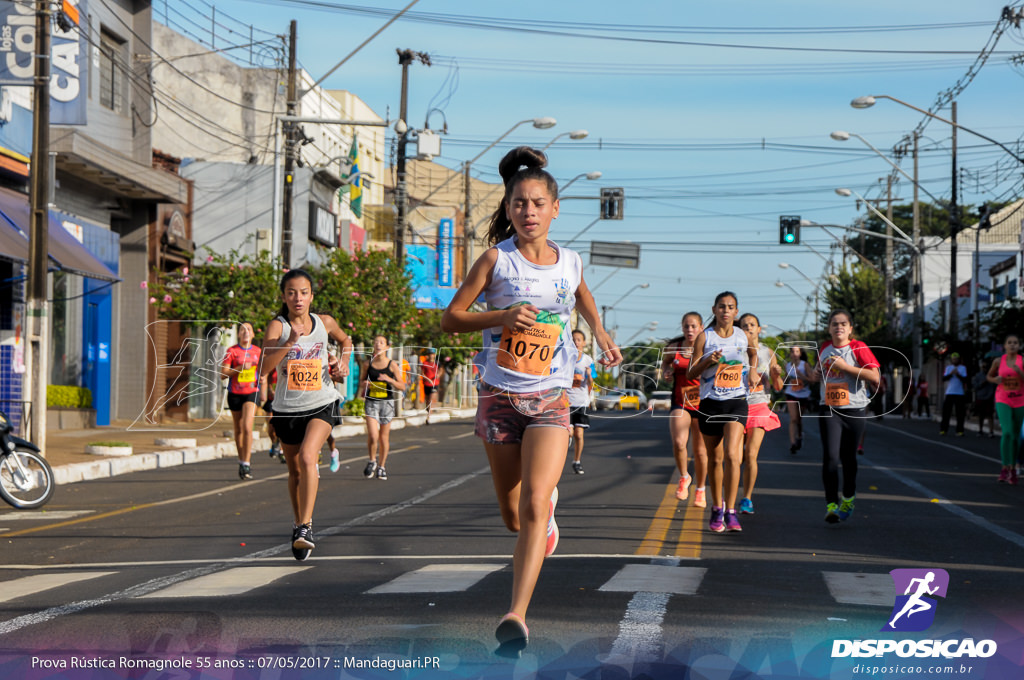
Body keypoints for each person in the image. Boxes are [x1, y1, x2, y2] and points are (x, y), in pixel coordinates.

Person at [440, 146, 621, 653]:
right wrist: (501, 317)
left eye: (538, 203)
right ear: (510, 206)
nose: (529, 212)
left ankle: (516, 613)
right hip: (500, 396)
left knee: (537, 502)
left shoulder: (570, 262)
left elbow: (581, 294)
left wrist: (601, 332)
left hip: (550, 397)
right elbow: (450, 319)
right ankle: (541, 520)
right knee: (513, 515)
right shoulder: (496, 260)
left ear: (555, 208)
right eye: (520, 203)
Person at [260, 269, 352, 560]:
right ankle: (298, 522)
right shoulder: (277, 326)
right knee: (295, 471)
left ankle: (305, 527)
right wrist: (288, 343)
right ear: (284, 296)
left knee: (307, 457)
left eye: (303, 292)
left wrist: (343, 364)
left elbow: (345, 340)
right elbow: (263, 368)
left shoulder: (324, 323)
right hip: (287, 408)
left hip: (322, 401)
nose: (297, 298)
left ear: (312, 295)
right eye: (291, 293)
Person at [686, 291, 759, 533]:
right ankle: (717, 508)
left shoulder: (742, 335)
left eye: (730, 307)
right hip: (710, 402)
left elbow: (753, 353)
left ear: (736, 312)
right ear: (714, 310)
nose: (726, 311)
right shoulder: (704, 337)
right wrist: (708, 361)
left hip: (736, 401)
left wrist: (754, 371)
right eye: (721, 307)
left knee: (732, 455)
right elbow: (690, 374)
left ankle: (731, 511)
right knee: (715, 459)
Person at [806, 310, 880, 524]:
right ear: (829, 328)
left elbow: (874, 376)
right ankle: (831, 504)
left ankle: (848, 498)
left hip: (855, 409)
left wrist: (845, 367)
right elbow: (815, 375)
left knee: (848, 458)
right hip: (829, 408)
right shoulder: (824, 348)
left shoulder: (858, 347)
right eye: (834, 324)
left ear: (850, 329)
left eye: (843, 324)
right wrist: (815, 374)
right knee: (830, 456)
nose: (839, 327)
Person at [659, 312, 709, 506]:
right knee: (679, 442)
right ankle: (684, 476)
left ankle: (701, 489)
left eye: (694, 326)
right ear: (682, 328)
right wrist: (667, 371)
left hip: (703, 403)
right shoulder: (675, 348)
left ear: (701, 328)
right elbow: (665, 363)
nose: (690, 330)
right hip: (680, 401)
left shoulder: (707, 348)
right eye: (686, 326)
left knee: (700, 451)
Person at [738, 313, 783, 515]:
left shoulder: (767, 352)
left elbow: (778, 387)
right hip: (737, 407)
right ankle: (726, 496)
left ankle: (747, 498)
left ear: (759, 329)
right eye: (744, 325)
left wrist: (776, 376)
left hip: (759, 407)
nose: (749, 328)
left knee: (751, 454)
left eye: (752, 325)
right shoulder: (734, 351)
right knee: (735, 457)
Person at [358, 334, 407, 481]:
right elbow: (361, 381)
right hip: (371, 402)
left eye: (381, 342)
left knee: (383, 437)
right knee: (373, 435)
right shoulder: (368, 364)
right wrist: (365, 384)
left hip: (387, 403)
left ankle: (382, 466)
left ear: (387, 347)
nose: (378, 345)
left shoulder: (392, 365)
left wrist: (389, 379)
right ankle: (372, 460)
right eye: (376, 342)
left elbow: (402, 385)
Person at [220, 322, 262, 480]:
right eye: (242, 329)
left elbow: (263, 373)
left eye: (249, 329)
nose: (245, 332)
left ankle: (247, 461)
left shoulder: (258, 351)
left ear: (253, 335)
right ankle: (241, 460)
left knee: (247, 426)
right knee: (238, 429)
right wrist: (239, 368)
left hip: (252, 392)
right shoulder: (231, 351)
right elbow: (222, 374)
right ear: (238, 334)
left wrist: (264, 390)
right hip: (235, 392)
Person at [988, 334, 1024, 484]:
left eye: (1015, 343)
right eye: (1009, 342)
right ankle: (1004, 467)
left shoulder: (1022, 361)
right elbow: (989, 376)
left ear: (1019, 346)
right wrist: (995, 379)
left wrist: (1020, 372)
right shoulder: (998, 361)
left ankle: (1013, 470)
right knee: (1007, 432)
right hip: (1003, 399)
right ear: (1004, 346)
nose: (1013, 345)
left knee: (1016, 437)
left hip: (1020, 399)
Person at [567, 329, 594, 475]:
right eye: (574, 339)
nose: (576, 342)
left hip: (581, 402)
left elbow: (591, 383)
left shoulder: (588, 361)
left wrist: (589, 375)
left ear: (584, 343)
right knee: (569, 433)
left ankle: (576, 461)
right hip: (566, 402)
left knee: (579, 434)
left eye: (579, 340)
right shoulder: (564, 358)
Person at [783, 346, 813, 454]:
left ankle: (800, 436)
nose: (794, 353)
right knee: (793, 418)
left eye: (797, 351)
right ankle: (793, 443)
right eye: (792, 351)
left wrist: (802, 376)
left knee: (799, 420)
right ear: (790, 354)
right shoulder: (787, 365)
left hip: (803, 394)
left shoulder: (804, 365)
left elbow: (812, 380)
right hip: (791, 393)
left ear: (800, 354)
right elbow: (785, 379)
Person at [940, 352, 968, 436]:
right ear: (951, 360)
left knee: (960, 413)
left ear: (958, 360)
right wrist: (951, 374)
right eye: (953, 359)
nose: (955, 360)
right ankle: (943, 429)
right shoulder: (949, 368)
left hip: (959, 393)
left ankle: (960, 430)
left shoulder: (962, 368)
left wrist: (958, 374)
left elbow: (965, 380)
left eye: (956, 359)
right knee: (946, 412)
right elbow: (944, 378)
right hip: (950, 392)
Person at [972, 358, 997, 437]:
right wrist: (982, 383)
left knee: (990, 415)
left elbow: (996, 386)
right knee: (981, 415)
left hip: (989, 397)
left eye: (986, 367)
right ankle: (980, 430)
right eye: (984, 367)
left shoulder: (992, 375)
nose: (985, 369)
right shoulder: (978, 375)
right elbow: (975, 386)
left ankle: (991, 431)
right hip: (981, 397)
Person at [419, 348, 443, 421]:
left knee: (432, 398)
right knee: (427, 399)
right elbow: (422, 373)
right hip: (426, 383)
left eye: (432, 354)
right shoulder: (425, 363)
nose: (431, 356)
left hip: (435, 383)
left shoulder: (437, 363)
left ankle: (429, 415)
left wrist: (438, 375)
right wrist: (427, 379)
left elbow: (441, 370)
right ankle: (428, 410)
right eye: (430, 355)